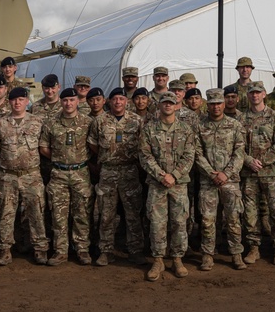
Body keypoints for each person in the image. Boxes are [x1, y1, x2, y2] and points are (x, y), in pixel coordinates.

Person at [139, 92, 197, 281]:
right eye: (165, 103)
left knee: (180, 222)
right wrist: (161, 175)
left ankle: (178, 259)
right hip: (157, 184)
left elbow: (189, 156)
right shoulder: (149, 129)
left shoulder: (186, 129)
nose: (168, 106)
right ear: (160, 105)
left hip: (179, 184)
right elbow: (145, 155)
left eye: (171, 103)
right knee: (157, 223)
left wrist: (175, 175)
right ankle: (158, 259)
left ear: (176, 105)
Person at [89, 88, 146, 266]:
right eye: (115, 99)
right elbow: (93, 144)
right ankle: (106, 251)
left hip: (130, 171)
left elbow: (143, 145)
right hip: (108, 172)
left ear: (126, 102)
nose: (118, 102)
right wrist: (108, 157)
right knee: (106, 214)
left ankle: (135, 251)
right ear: (109, 101)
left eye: (121, 99)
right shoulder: (100, 121)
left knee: (132, 214)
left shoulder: (136, 121)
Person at [38, 88, 94, 265]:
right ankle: (60, 250)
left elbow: (94, 145)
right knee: (58, 214)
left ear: (78, 101)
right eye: (65, 100)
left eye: (71, 100)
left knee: (82, 212)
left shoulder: (87, 122)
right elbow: (44, 147)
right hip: (59, 173)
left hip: (81, 173)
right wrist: (59, 158)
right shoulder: (51, 122)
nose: (68, 103)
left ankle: (82, 249)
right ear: (61, 102)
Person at [0, 87, 49, 266]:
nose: (17, 102)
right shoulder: (0, 123)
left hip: (31, 175)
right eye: (14, 99)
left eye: (21, 99)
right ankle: (4, 250)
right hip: (7, 176)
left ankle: (40, 249)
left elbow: (46, 146)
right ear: (9, 102)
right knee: (6, 214)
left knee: (36, 213)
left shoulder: (38, 122)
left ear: (27, 101)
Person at [196, 88, 247, 271]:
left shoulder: (235, 125)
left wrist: (226, 173)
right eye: (212, 104)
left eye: (218, 103)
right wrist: (211, 173)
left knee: (233, 219)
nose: (215, 107)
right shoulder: (200, 126)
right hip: (208, 181)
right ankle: (208, 254)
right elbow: (197, 153)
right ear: (207, 105)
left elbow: (239, 153)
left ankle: (236, 254)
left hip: (230, 181)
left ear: (224, 104)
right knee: (207, 220)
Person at [238, 82, 275, 265]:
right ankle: (253, 247)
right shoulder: (241, 119)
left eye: (258, 92)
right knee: (250, 213)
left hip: (271, 173)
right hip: (249, 173)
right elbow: (236, 145)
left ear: (265, 94)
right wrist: (249, 160)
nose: (255, 96)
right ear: (248, 95)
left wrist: (264, 160)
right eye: (251, 93)